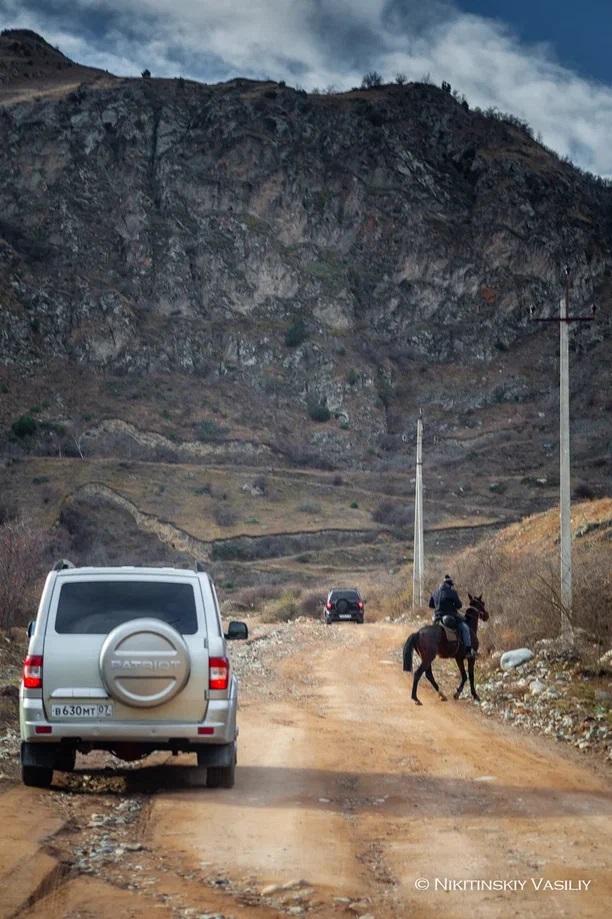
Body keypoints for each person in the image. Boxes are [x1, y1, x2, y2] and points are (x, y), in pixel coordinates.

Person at [428, 575, 475, 658]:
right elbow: (459, 605)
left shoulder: (435, 592)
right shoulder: (452, 592)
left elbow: (431, 605)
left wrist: (439, 606)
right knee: (465, 628)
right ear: (449, 584)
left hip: (437, 617)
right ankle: (468, 650)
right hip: (449, 617)